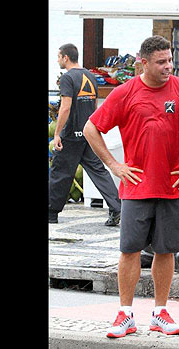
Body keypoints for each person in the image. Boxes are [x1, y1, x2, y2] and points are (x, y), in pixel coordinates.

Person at [83, 35, 179, 339]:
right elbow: (90, 128)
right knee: (129, 250)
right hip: (135, 188)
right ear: (142, 62)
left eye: (170, 60)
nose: (168, 66)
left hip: (172, 187)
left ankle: (160, 312)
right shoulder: (124, 93)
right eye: (161, 62)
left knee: (166, 250)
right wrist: (114, 165)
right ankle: (126, 314)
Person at [48, 43, 122, 226]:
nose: (57, 60)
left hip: (71, 134)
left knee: (60, 173)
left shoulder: (67, 78)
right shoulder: (90, 75)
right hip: (89, 133)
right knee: (98, 171)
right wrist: (94, 129)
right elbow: (95, 106)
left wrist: (57, 134)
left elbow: (65, 107)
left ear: (66, 57)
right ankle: (116, 207)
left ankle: (51, 213)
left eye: (58, 56)